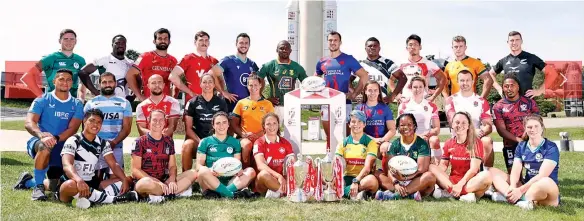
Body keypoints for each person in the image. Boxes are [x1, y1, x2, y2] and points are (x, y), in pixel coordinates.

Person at [14, 69, 84, 201]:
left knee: (56, 185)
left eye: (69, 79)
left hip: (62, 146)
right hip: (39, 142)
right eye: (61, 79)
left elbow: (73, 128)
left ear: (72, 83)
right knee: (45, 146)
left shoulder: (77, 104)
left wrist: (56, 138)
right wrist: (41, 135)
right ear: (54, 81)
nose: (65, 82)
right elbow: (29, 122)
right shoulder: (42, 100)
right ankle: (38, 188)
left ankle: (28, 182)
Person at [58, 109, 138, 208]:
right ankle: (113, 199)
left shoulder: (103, 143)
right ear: (84, 121)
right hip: (72, 182)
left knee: (126, 179)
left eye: (99, 122)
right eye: (92, 120)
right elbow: (67, 165)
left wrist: (124, 179)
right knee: (68, 185)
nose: (95, 124)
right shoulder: (73, 140)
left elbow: (113, 164)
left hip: (92, 183)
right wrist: (78, 180)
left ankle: (92, 198)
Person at [489, 114, 560, 210]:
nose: (533, 129)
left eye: (536, 126)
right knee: (493, 173)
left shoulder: (551, 147)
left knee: (544, 181)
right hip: (527, 187)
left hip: (545, 189)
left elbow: (542, 175)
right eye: (529, 127)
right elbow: (515, 170)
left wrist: (520, 190)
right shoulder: (522, 146)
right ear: (525, 129)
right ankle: (519, 199)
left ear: (542, 128)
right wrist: (513, 187)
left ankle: (511, 197)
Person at [132, 110, 199, 204]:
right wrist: (156, 181)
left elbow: (172, 166)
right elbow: (136, 170)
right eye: (154, 120)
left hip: (164, 181)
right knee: (145, 183)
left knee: (193, 173)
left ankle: (160, 195)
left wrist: (171, 179)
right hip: (147, 181)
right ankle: (173, 193)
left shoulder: (169, 141)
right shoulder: (139, 142)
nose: (158, 123)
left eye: (161, 120)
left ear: (165, 122)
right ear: (149, 121)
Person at [316, 31, 370, 148]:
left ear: (340, 42)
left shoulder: (348, 59)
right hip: (327, 104)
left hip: (344, 103)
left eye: (335, 40)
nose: (333, 42)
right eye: (330, 40)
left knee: (345, 137)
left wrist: (355, 93)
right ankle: (329, 162)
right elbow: (315, 79)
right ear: (327, 42)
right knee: (329, 138)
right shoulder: (322, 61)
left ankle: (345, 163)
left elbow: (364, 76)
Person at [429, 112, 492, 203]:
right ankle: (463, 195)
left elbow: (474, 169)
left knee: (487, 176)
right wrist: (436, 174)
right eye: (457, 122)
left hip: (469, 182)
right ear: (452, 125)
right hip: (452, 182)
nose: (460, 125)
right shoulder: (449, 143)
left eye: (463, 123)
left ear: (468, 126)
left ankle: (452, 193)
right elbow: (443, 165)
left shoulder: (475, 142)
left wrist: (460, 185)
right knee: (431, 167)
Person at [374, 113, 436, 201]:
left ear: (414, 126)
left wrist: (405, 178)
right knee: (376, 173)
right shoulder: (395, 144)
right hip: (398, 180)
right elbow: (390, 169)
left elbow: (422, 169)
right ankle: (409, 194)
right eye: (402, 125)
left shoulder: (421, 143)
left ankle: (396, 195)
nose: (406, 127)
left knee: (430, 176)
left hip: (415, 180)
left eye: (409, 124)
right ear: (398, 128)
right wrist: (396, 183)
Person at [83, 72, 133, 181]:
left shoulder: (124, 103)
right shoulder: (91, 103)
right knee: (93, 180)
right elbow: (86, 128)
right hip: (95, 147)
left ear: (115, 83)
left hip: (116, 147)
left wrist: (114, 142)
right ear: (99, 84)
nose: (107, 84)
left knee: (116, 179)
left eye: (110, 81)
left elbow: (127, 128)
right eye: (104, 82)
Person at [196, 112, 257, 199]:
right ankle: (231, 195)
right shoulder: (205, 141)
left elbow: (237, 164)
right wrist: (210, 170)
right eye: (218, 123)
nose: (221, 126)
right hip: (211, 180)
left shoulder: (235, 142)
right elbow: (198, 166)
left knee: (250, 171)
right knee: (202, 170)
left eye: (224, 122)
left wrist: (238, 170)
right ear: (213, 125)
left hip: (230, 180)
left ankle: (220, 193)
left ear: (228, 124)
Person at [444, 69, 494, 169]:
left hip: (476, 138)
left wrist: (480, 132)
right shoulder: (450, 100)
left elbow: (488, 126)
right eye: (462, 80)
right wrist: (472, 132)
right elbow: (453, 123)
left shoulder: (481, 101)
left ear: (473, 81)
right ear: (457, 82)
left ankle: (487, 175)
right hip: (458, 138)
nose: (465, 83)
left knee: (487, 141)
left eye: (468, 80)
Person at [492, 75, 540, 173]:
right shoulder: (497, 107)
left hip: (531, 142)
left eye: (512, 85)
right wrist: (519, 140)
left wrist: (526, 137)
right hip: (510, 145)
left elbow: (538, 123)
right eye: (506, 86)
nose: (509, 89)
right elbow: (501, 130)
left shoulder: (530, 103)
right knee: (515, 180)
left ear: (518, 87)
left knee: (534, 176)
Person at [20, 29, 87, 99]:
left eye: (72, 39)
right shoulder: (50, 58)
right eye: (65, 39)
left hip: (72, 104)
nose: (69, 41)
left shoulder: (80, 60)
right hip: (52, 104)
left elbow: (83, 84)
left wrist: (81, 99)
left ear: (75, 41)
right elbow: (27, 77)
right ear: (59, 41)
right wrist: (43, 98)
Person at [181, 74, 228, 171]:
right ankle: (187, 180)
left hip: (215, 140)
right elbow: (188, 129)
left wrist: (215, 142)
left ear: (214, 84)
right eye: (205, 82)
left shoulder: (221, 102)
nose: (207, 84)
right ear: (200, 84)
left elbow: (225, 125)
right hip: (197, 140)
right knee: (186, 145)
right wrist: (201, 142)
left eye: (210, 82)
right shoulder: (192, 102)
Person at [231, 75, 275, 169]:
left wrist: (259, 134)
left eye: (256, 85)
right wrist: (243, 134)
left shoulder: (268, 104)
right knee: (247, 144)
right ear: (247, 86)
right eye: (250, 85)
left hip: (262, 136)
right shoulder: (241, 103)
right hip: (245, 137)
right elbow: (233, 123)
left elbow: (272, 124)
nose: (253, 87)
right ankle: (243, 172)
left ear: (260, 85)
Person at [388, 34, 446, 103]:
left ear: (420, 47)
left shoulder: (428, 63)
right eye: (410, 45)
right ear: (406, 48)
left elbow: (443, 79)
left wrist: (433, 96)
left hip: (423, 102)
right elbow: (391, 81)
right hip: (405, 102)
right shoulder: (400, 64)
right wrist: (396, 95)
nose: (413, 47)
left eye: (415, 44)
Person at [335, 110, 379, 200]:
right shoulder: (343, 143)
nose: (356, 124)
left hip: (363, 179)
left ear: (364, 124)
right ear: (349, 124)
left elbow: (367, 168)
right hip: (347, 178)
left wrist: (356, 182)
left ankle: (342, 192)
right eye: (353, 121)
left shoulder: (371, 143)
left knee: (372, 180)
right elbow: (336, 164)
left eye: (360, 121)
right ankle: (357, 194)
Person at [209, 33, 260, 112]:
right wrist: (223, 91)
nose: (244, 45)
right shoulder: (228, 60)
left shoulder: (252, 64)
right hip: (232, 105)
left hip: (249, 106)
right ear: (236, 44)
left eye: (246, 43)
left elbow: (260, 82)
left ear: (249, 45)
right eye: (241, 43)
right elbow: (211, 73)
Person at [257, 40, 307, 120]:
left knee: (292, 132)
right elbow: (257, 81)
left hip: (291, 106)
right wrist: (264, 99)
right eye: (281, 48)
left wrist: (300, 99)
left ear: (290, 51)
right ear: (277, 50)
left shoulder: (297, 67)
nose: (284, 50)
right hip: (275, 106)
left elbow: (306, 84)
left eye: (287, 48)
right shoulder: (269, 65)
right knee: (274, 131)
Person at [489, 31, 547, 98]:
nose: (514, 42)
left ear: (521, 41)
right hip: (509, 103)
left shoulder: (531, 58)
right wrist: (499, 89)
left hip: (527, 103)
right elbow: (490, 74)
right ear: (508, 42)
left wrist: (539, 91)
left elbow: (552, 74)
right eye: (512, 40)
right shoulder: (504, 60)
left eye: (517, 40)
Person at [169, 30, 219, 106]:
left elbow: (220, 81)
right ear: (195, 42)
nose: (204, 42)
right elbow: (172, 77)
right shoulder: (188, 58)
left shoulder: (214, 61)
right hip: (193, 103)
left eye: (206, 40)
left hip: (211, 104)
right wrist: (189, 92)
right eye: (201, 40)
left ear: (209, 43)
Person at [126, 28, 178, 101]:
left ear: (169, 41)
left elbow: (178, 81)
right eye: (160, 38)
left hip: (166, 103)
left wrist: (173, 98)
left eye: (165, 39)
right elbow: (130, 75)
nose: (163, 41)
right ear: (154, 41)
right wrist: (139, 96)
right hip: (149, 102)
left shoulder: (173, 60)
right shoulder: (145, 57)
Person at [398, 77, 441, 163]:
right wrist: (416, 136)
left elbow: (437, 129)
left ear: (424, 88)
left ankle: (437, 165)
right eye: (415, 87)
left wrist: (427, 134)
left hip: (426, 137)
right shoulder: (404, 105)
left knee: (435, 140)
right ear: (411, 88)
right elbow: (400, 128)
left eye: (420, 87)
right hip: (409, 137)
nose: (418, 89)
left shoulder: (431, 105)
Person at [253, 113, 295, 198]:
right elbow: (260, 165)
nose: (272, 126)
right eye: (268, 124)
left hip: (281, 180)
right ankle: (290, 192)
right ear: (264, 126)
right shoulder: (259, 142)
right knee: (263, 174)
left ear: (278, 125)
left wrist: (287, 178)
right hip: (265, 182)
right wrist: (278, 176)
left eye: (274, 123)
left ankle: (277, 193)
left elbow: (292, 164)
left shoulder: (285, 143)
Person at [354, 80, 396, 159]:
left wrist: (381, 140)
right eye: (370, 90)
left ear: (379, 92)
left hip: (382, 141)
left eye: (375, 90)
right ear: (365, 92)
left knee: (387, 147)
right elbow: (357, 130)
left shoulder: (385, 108)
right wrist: (373, 140)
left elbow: (392, 130)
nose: (372, 93)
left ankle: (386, 171)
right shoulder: (359, 109)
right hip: (365, 141)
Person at [359, 37, 407, 103]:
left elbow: (403, 78)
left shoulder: (387, 63)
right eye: (370, 46)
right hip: (366, 103)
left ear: (379, 48)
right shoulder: (360, 64)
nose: (372, 48)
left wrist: (392, 96)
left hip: (382, 102)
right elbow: (348, 80)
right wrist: (354, 93)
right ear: (365, 48)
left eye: (375, 46)